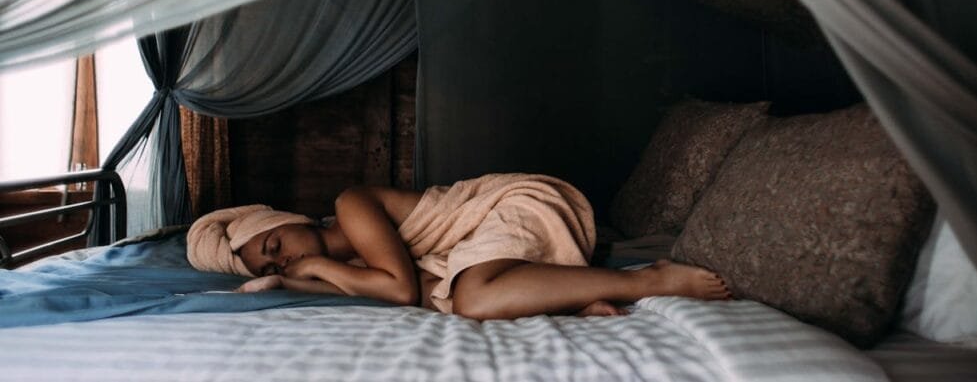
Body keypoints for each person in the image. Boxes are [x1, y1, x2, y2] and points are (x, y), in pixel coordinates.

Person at [186, 173, 730, 319]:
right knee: (448, 297)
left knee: (469, 298)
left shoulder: (351, 205)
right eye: (274, 261)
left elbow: (398, 292)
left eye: (276, 244)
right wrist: (288, 280)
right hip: (483, 245)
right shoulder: (342, 263)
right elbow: (419, 291)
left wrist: (322, 267)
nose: (285, 257)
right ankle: (568, 294)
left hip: (512, 204)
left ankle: (647, 278)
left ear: (290, 219)